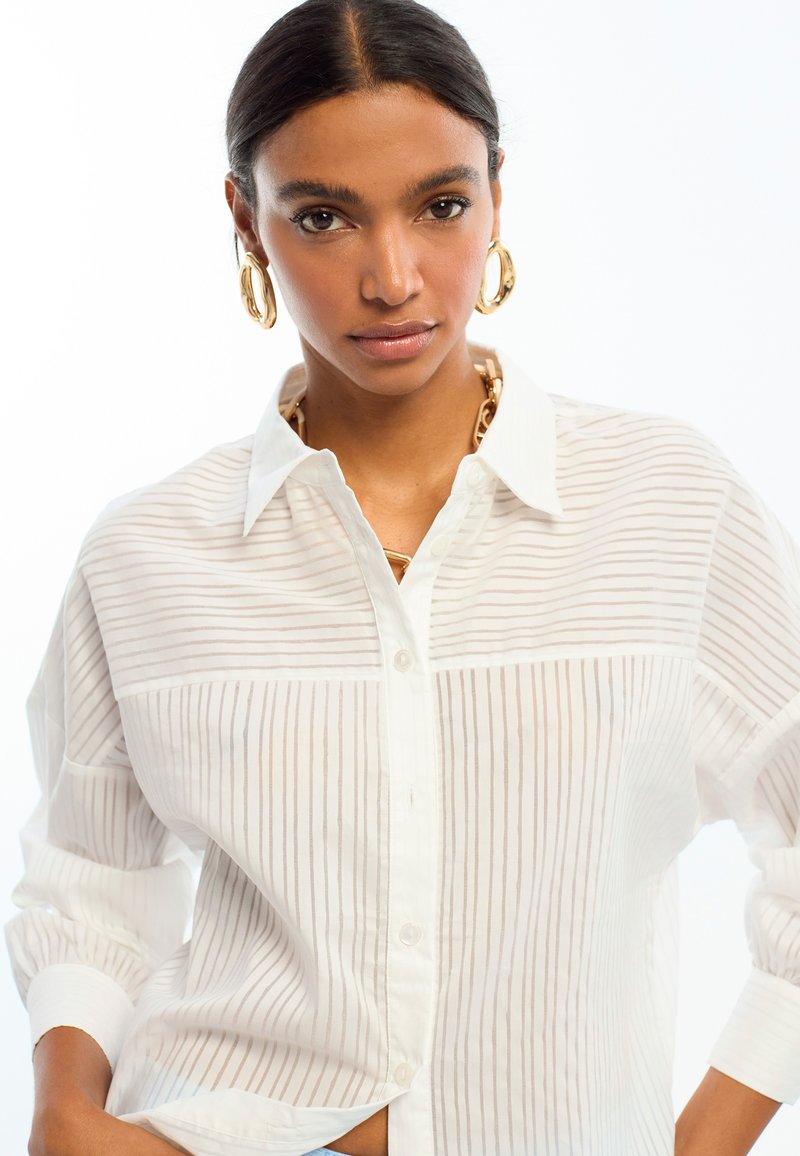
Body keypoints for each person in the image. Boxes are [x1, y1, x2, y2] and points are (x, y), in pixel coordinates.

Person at [7, 0, 800, 1154]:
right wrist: (63, 1113)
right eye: (322, 217)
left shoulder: (667, 505)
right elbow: (90, 875)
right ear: (245, 221)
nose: (391, 277)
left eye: (439, 205)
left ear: (495, 196)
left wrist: (698, 1143)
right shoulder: (146, 554)